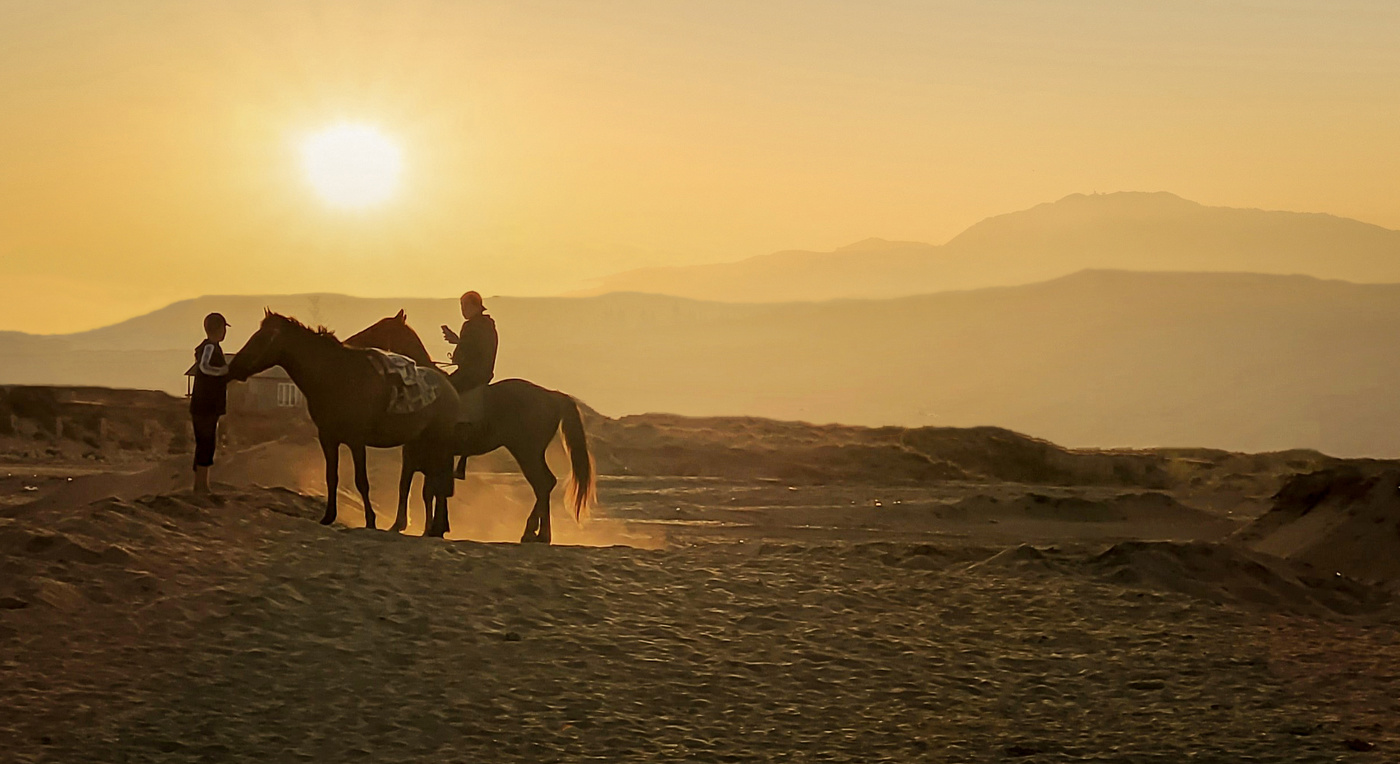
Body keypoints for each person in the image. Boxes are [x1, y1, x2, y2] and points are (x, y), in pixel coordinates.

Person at [441, 291, 498, 476]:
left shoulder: (471, 326)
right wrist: (458, 341)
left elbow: (463, 355)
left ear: (474, 306)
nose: (463, 310)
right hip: (484, 374)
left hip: (471, 375)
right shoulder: (487, 325)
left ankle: (452, 436)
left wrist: (456, 341)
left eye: (464, 306)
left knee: (445, 393)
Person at [190, 312, 231, 494]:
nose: (225, 333)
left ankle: (202, 484)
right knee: (206, 443)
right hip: (205, 405)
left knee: (206, 443)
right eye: (223, 328)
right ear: (218, 329)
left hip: (205, 405)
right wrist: (222, 371)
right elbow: (204, 366)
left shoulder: (213, 347)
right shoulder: (210, 347)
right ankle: (201, 486)